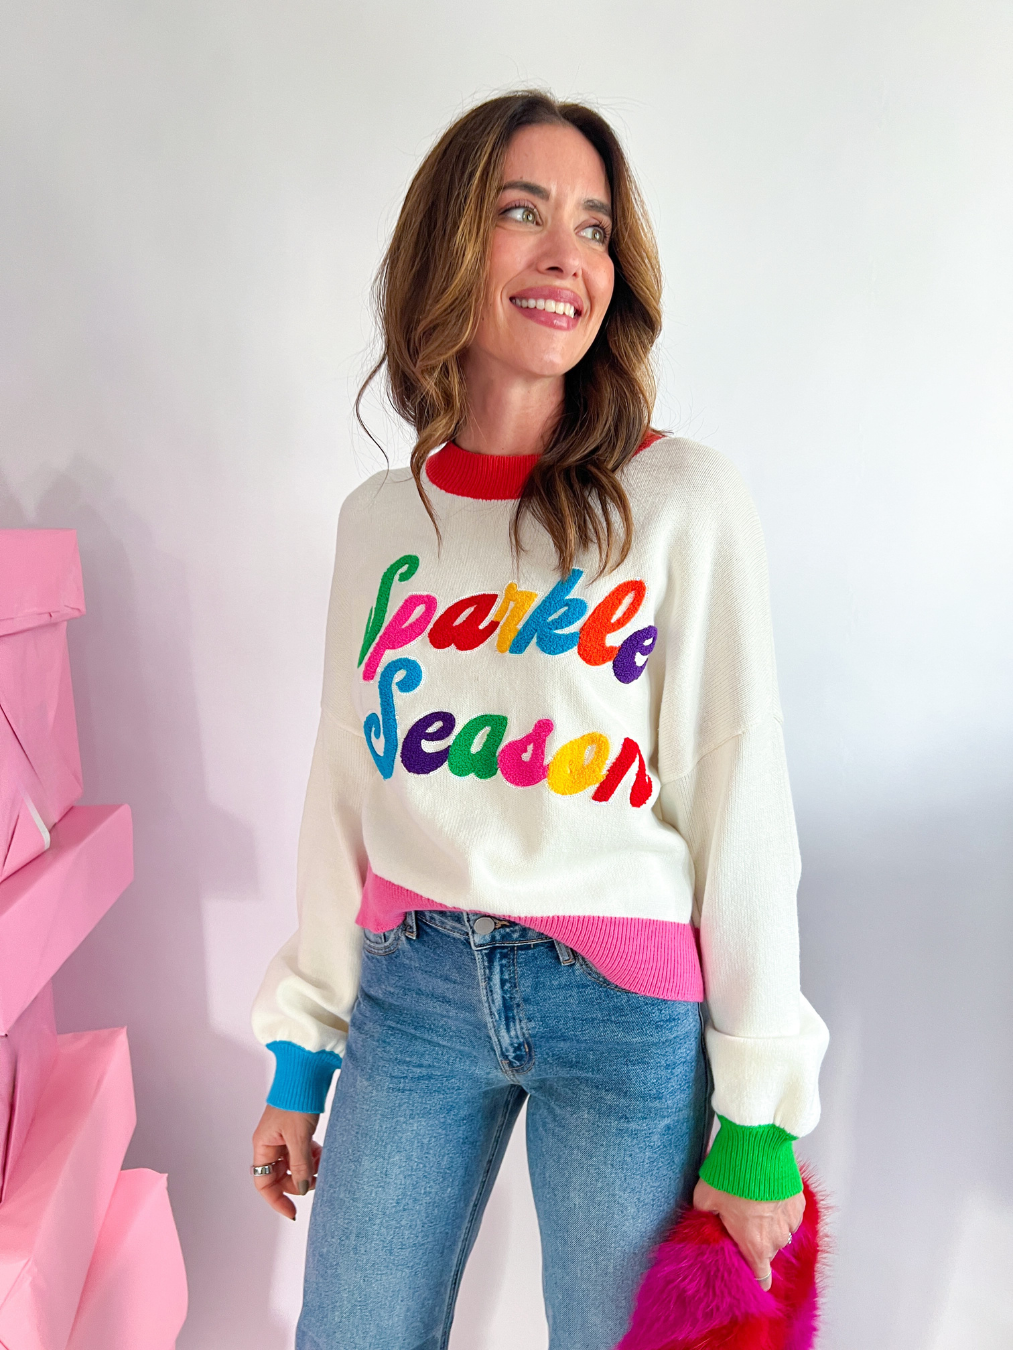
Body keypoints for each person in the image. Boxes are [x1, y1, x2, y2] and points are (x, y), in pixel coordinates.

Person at [250, 89, 829, 1350]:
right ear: (449, 245)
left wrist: (758, 1117)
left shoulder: (679, 501)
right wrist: (303, 1052)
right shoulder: (379, 521)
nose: (568, 255)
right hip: (413, 992)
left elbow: (740, 798)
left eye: (594, 227)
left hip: (620, 1005)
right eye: (523, 212)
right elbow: (345, 786)